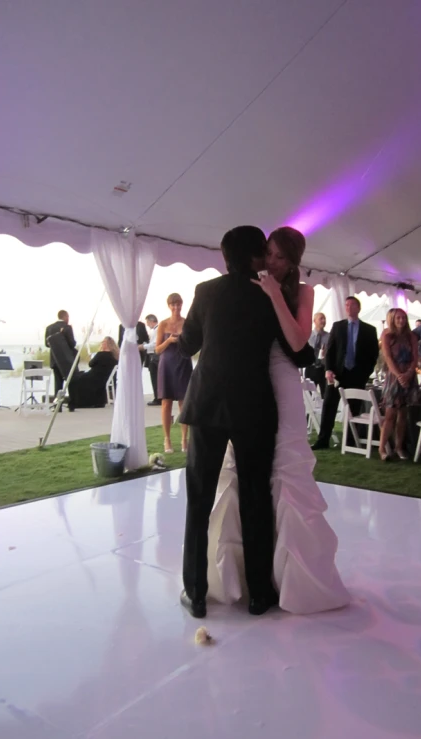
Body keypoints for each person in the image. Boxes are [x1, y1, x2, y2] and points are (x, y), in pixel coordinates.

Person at [206, 227, 350, 615]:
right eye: (268, 253)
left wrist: (273, 295)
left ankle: (294, 580)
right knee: (242, 476)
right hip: (248, 383)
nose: (271, 261)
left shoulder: (302, 292)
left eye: (280, 257)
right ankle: (245, 576)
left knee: (286, 472)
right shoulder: (246, 284)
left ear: (293, 262)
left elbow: (300, 343)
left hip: (282, 383)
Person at [177, 226, 314, 619]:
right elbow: (298, 352)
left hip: (206, 406)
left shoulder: (206, 292)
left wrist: (172, 336)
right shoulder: (268, 294)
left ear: (225, 257)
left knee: (198, 501)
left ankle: (196, 593)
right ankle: (258, 595)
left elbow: (189, 344)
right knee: (256, 499)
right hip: (254, 407)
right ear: (256, 256)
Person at [312, 296, 379, 450]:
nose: (349, 308)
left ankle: (350, 441)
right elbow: (330, 351)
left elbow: (373, 355)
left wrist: (365, 373)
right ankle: (323, 440)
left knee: (354, 409)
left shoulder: (369, 330)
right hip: (338, 374)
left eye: (352, 305)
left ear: (358, 308)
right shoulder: (338, 326)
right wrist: (328, 369)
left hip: (357, 375)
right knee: (329, 406)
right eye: (346, 305)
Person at [379, 308, 419, 461]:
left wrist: (409, 373)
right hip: (393, 375)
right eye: (398, 318)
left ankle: (398, 447)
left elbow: (415, 357)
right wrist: (399, 376)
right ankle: (382, 448)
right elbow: (388, 358)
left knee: (403, 414)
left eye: (403, 318)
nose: (401, 320)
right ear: (393, 320)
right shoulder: (387, 335)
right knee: (390, 413)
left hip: (409, 374)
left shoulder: (411, 336)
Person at [156, 294, 193, 454]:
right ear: (169, 306)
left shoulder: (187, 323)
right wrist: (169, 341)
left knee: (184, 402)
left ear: (182, 305)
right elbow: (157, 349)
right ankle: (167, 439)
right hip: (167, 364)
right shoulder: (163, 324)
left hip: (183, 362)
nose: (176, 307)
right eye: (173, 305)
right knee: (166, 402)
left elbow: (193, 345)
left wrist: (184, 341)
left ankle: (184, 439)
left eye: (178, 304)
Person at [69, 337, 119, 408]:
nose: (101, 343)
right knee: (79, 376)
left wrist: (92, 357)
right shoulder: (115, 356)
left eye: (103, 342)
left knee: (73, 380)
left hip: (94, 377)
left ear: (106, 344)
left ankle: (76, 402)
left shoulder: (101, 354)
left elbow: (90, 364)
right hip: (104, 378)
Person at [45, 310, 77, 400]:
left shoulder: (49, 328)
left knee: (57, 382)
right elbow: (72, 343)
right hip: (67, 359)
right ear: (66, 317)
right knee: (70, 381)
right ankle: (72, 404)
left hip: (55, 359)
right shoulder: (67, 328)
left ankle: (57, 404)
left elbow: (47, 344)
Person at [139, 314, 161, 406]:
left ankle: (158, 397)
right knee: (156, 377)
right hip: (153, 354)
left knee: (155, 377)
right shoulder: (155, 330)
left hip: (154, 355)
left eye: (148, 322)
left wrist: (143, 346)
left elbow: (155, 344)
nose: (147, 325)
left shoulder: (157, 330)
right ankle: (159, 396)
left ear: (151, 321)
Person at [305, 312, 329, 395]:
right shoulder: (307, 336)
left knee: (325, 396)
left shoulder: (329, 337)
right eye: (321, 318)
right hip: (310, 368)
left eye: (324, 318)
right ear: (314, 321)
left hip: (323, 369)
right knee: (311, 396)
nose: (323, 320)